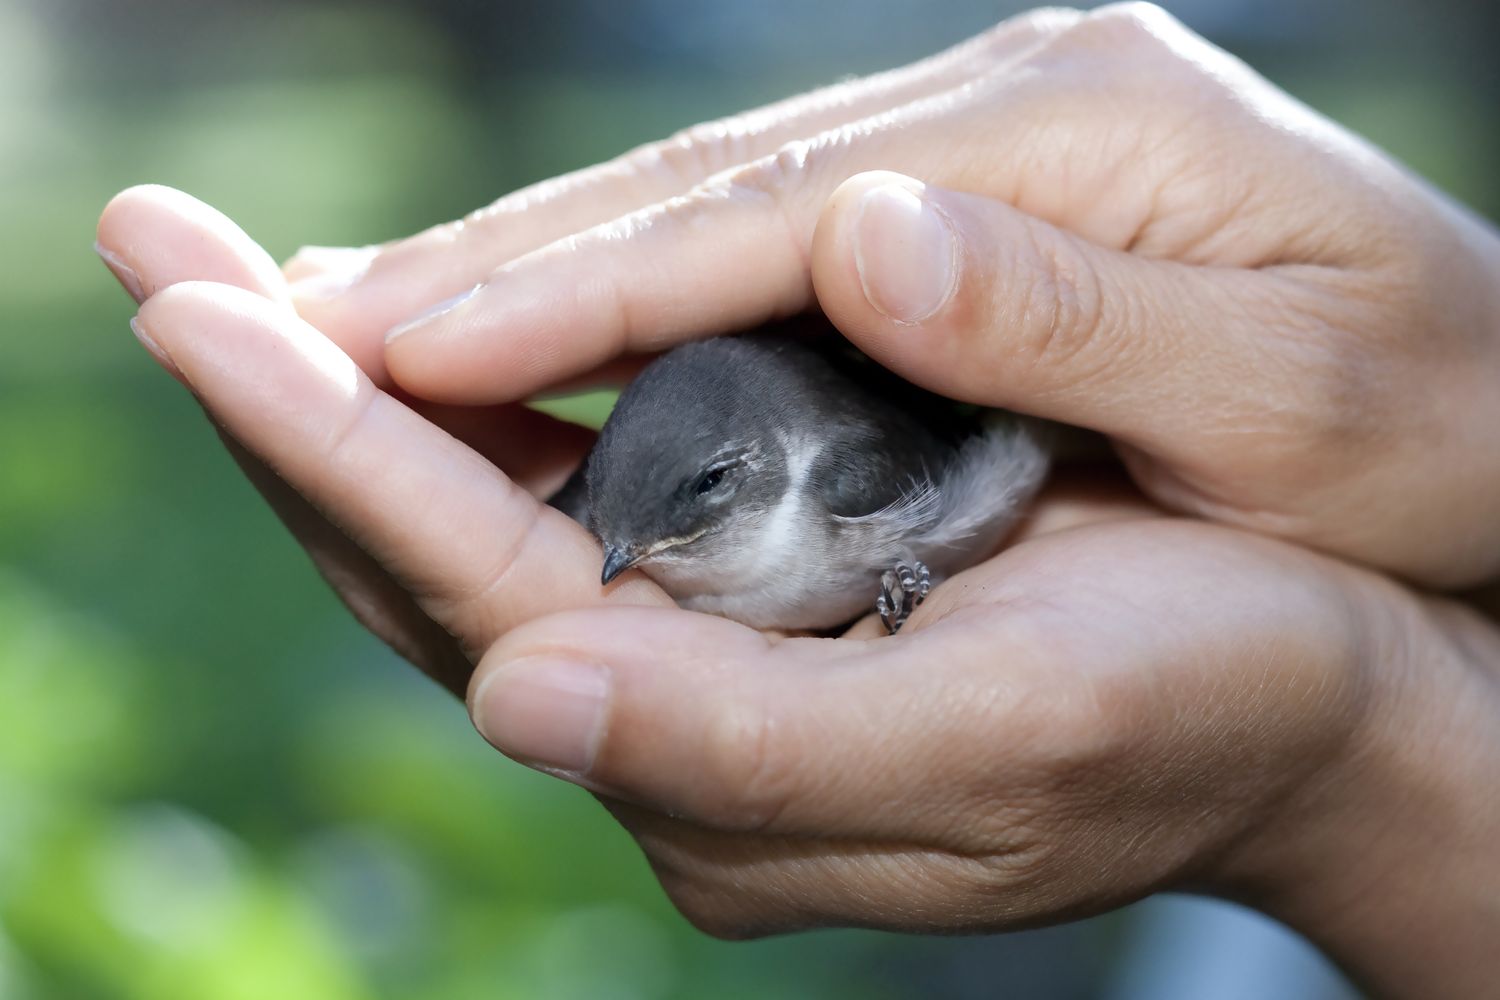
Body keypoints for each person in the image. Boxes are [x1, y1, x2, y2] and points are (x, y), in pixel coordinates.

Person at [95, 5, 1499, 995]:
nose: (625, 558)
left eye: (680, 518)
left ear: (766, 475)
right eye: (618, 528)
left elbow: (987, 446)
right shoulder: (619, 516)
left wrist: (1370, 758)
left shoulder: (861, 474)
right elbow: (626, 513)